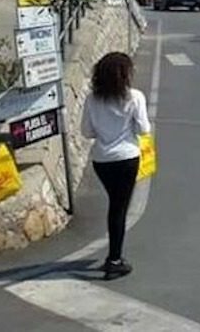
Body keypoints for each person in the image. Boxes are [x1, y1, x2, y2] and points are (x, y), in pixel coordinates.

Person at [80, 52, 151, 281]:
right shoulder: (134, 97)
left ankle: (114, 257)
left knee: (115, 205)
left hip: (102, 160)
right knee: (119, 208)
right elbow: (143, 129)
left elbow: (86, 132)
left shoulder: (92, 99)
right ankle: (115, 260)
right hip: (127, 158)